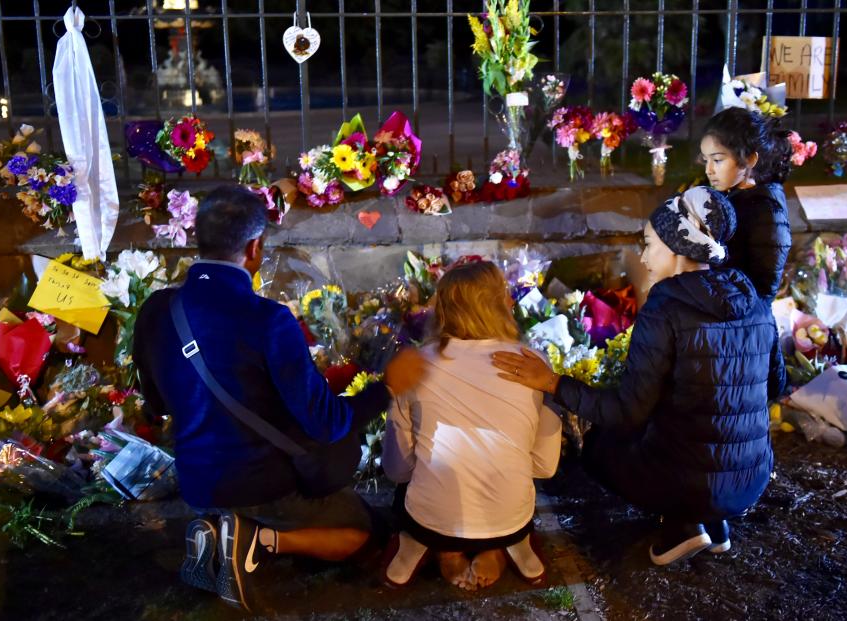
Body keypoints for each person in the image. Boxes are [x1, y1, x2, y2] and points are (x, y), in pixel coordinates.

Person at [133, 186, 424, 612]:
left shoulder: (157, 309)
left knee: (237, 500)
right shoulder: (268, 320)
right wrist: (388, 387)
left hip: (196, 480)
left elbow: (156, 404)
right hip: (264, 484)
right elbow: (327, 423)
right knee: (372, 534)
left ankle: (216, 530)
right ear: (255, 247)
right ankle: (260, 539)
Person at [492, 187, 783, 566]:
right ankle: (714, 522)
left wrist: (553, 383)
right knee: (693, 436)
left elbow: (627, 411)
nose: (644, 258)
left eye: (649, 244)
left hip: (687, 482)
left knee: (600, 447)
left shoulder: (666, 308)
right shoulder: (756, 301)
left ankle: (683, 527)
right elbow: (776, 386)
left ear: (678, 248)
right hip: (752, 477)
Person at [381, 261, 561, 590]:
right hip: (511, 520)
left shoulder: (415, 364)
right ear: (496, 305)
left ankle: (445, 550)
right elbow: (545, 467)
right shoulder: (533, 364)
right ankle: (496, 545)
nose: (511, 301)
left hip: (429, 520)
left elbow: (396, 469)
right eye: (505, 295)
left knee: (415, 475)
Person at [700, 107, 793, 302]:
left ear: (750, 159)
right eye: (705, 159)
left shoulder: (766, 210)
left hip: (741, 321)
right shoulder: (733, 195)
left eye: (717, 160)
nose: (709, 170)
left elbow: (763, 288)